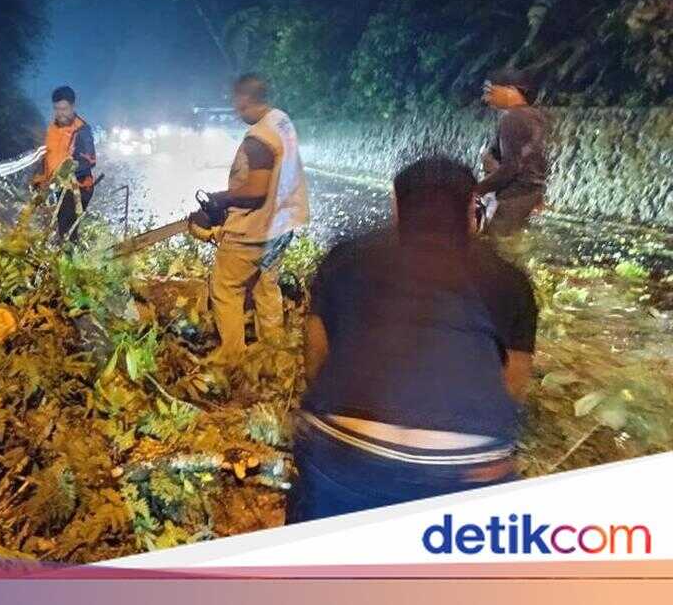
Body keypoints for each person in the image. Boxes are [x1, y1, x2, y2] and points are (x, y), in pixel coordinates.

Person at [291, 157, 538, 523]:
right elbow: (514, 387)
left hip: (346, 448)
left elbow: (315, 358)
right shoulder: (509, 281)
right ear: (472, 208)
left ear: (396, 205)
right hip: (464, 464)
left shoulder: (345, 259)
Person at [200, 74, 309, 362]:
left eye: (237, 105)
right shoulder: (281, 121)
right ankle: (274, 352)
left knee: (226, 286)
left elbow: (256, 191)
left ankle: (232, 355)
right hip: (282, 223)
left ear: (244, 100)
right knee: (265, 284)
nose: (236, 111)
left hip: (256, 228)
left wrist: (222, 198)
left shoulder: (258, 138)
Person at [477, 68, 549, 236]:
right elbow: (537, 161)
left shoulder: (512, 119)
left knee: (496, 246)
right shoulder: (536, 117)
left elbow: (510, 167)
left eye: (489, 91)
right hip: (529, 195)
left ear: (510, 90)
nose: (485, 98)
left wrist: (477, 190)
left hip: (511, 198)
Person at [34, 85, 97, 240]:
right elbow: (47, 158)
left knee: (66, 225)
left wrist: (68, 171)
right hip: (57, 187)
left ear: (72, 106)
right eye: (57, 109)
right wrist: (39, 181)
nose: (61, 113)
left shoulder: (82, 130)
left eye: (64, 109)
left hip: (79, 186)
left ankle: (69, 258)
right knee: (52, 224)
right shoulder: (52, 129)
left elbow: (90, 159)